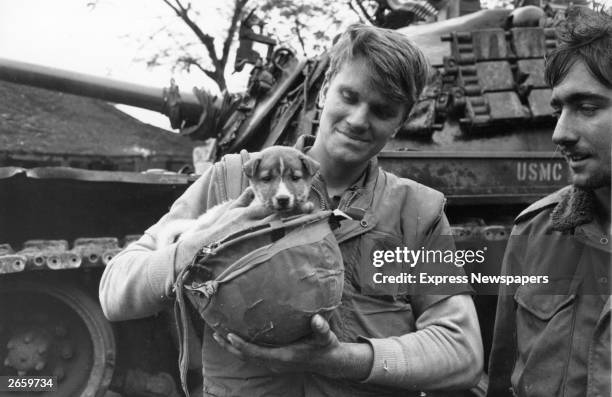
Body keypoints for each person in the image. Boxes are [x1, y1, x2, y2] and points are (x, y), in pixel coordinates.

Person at [100, 24, 483, 397]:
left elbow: (462, 351)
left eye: (382, 110)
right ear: (322, 93)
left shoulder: (414, 211)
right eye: (349, 96)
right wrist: (202, 242)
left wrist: (343, 359)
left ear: (400, 123)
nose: (358, 119)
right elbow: (115, 289)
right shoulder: (231, 181)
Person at [486, 6, 611, 397]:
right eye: (559, 109)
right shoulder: (535, 233)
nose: (559, 133)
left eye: (587, 108)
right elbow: (501, 380)